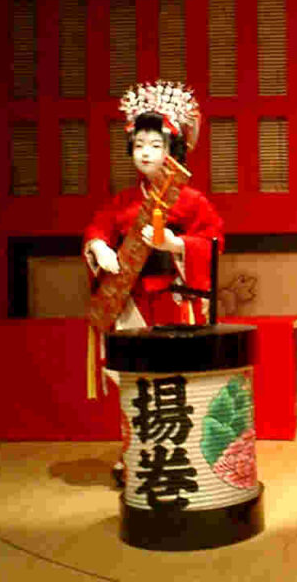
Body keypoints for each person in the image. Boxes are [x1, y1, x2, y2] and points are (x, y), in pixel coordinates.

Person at [83, 82, 223, 484]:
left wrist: (177, 245)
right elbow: (98, 227)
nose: (145, 152)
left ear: (172, 150)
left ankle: (184, 457)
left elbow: (213, 238)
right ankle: (134, 456)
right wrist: (99, 247)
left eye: (155, 145)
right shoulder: (122, 201)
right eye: (139, 145)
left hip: (174, 301)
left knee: (175, 380)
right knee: (135, 380)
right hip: (132, 302)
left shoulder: (191, 200)